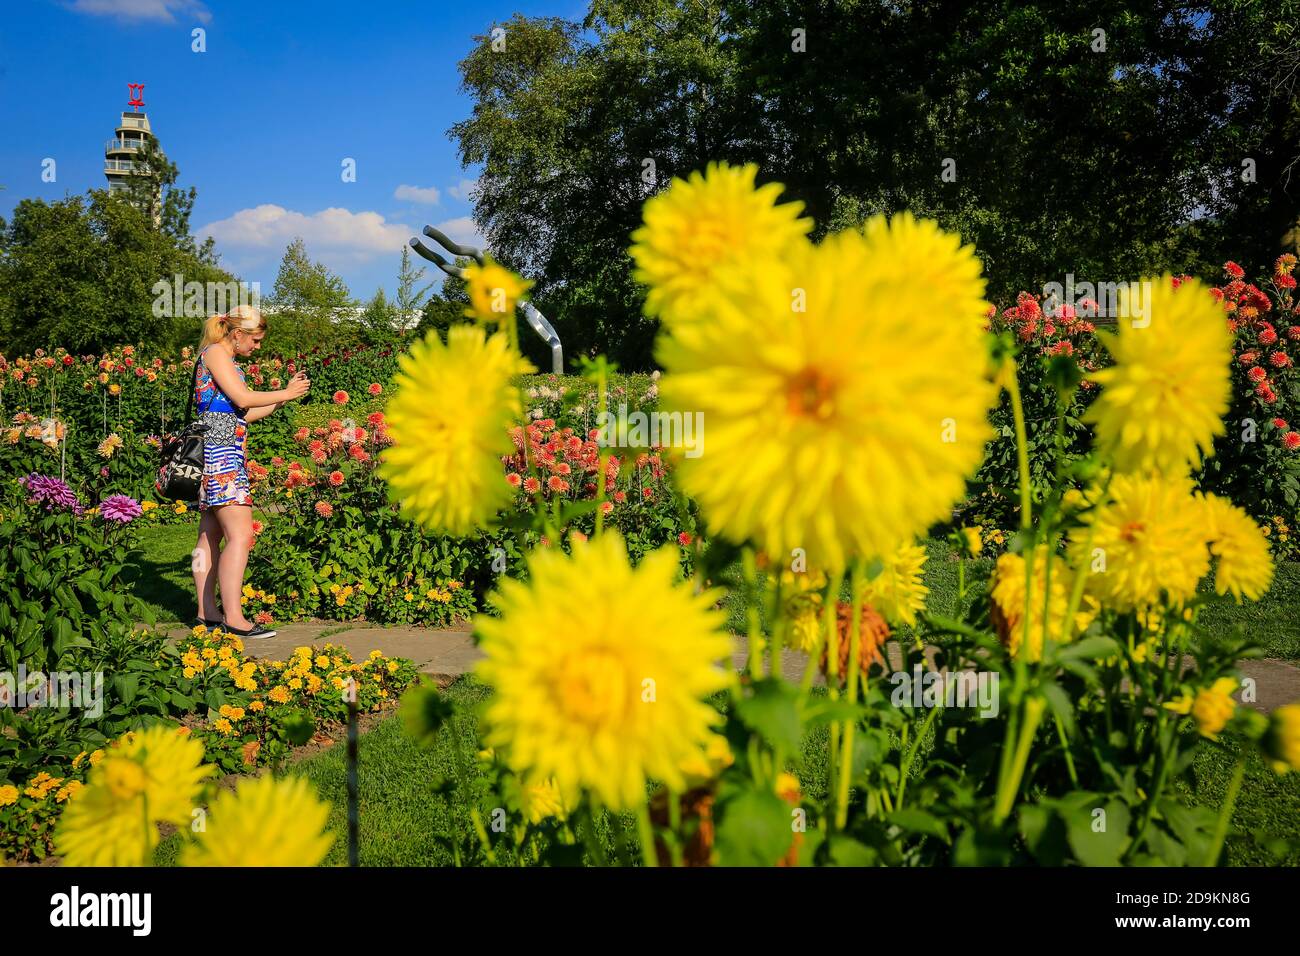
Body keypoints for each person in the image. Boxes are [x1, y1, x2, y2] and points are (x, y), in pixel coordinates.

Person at [191, 305, 310, 637]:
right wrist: (284, 393)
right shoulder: (216, 353)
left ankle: (207, 612)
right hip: (220, 454)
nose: (257, 348)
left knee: (210, 534)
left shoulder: (224, 361)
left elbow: (242, 414)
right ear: (237, 333)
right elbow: (242, 397)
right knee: (241, 535)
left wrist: (284, 398)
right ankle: (234, 617)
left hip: (217, 448)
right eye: (255, 340)